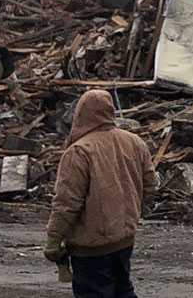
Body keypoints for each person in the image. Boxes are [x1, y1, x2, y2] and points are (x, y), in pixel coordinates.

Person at [44, 88, 155, 297]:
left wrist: (53, 239)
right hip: (124, 239)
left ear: (81, 113)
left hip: (91, 246)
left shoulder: (79, 151)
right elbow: (151, 184)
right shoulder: (134, 142)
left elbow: (67, 203)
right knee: (123, 290)